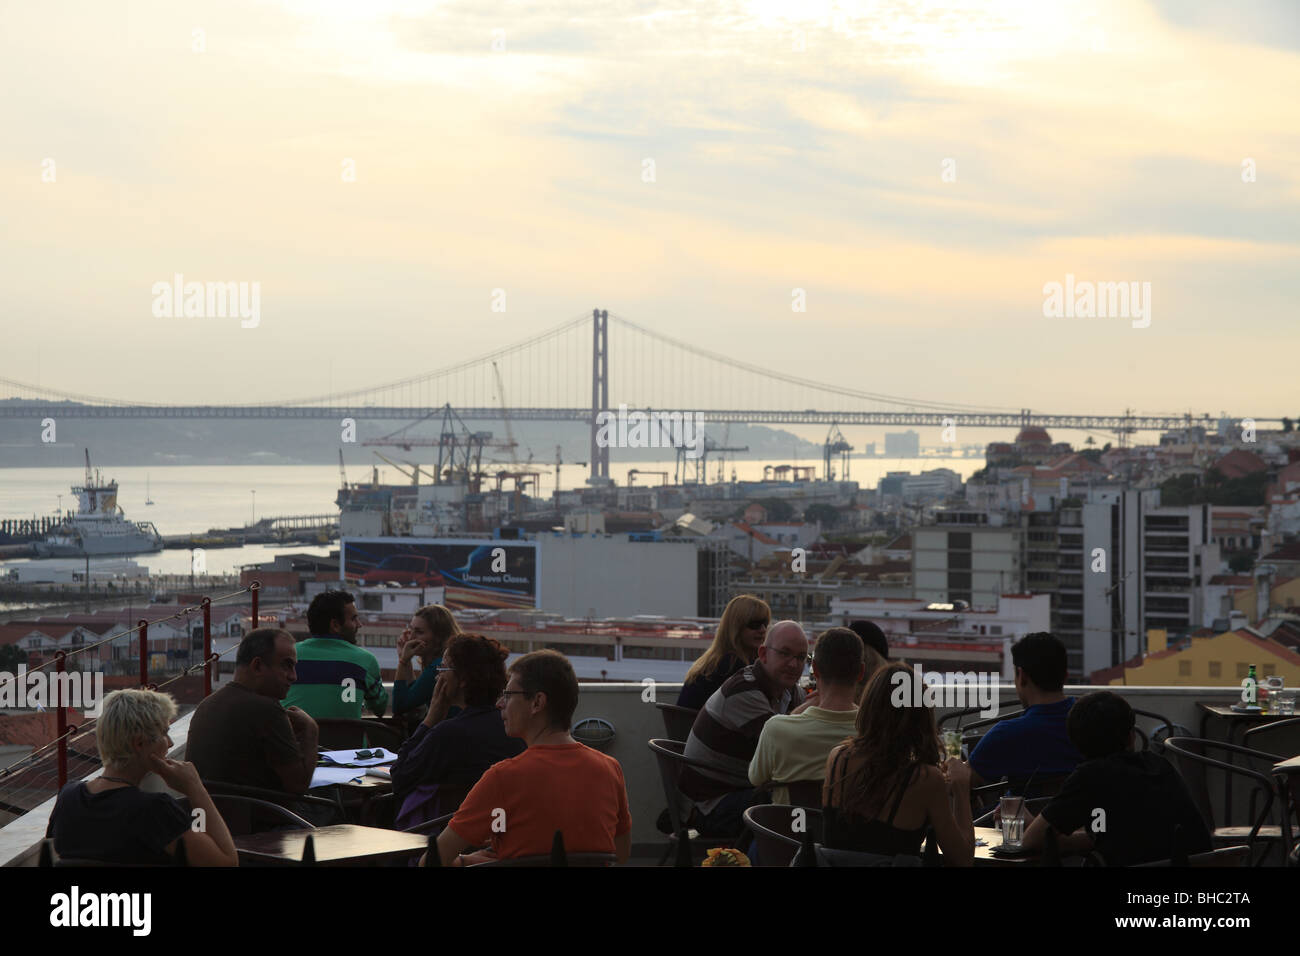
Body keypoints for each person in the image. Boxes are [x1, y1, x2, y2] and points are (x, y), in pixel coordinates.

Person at [436, 650, 631, 865]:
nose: (499, 703)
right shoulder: (609, 769)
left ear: (537, 702)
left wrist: (466, 862)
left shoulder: (503, 778)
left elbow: (433, 860)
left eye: (508, 695)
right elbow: (620, 855)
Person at [49, 689, 238, 866]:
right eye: (164, 733)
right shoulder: (154, 810)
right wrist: (195, 788)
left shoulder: (68, 797)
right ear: (139, 743)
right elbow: (227, 861)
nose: (170, 743)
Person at [1021, 691, 1212, 866]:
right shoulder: (1158, 764)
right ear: (1131, 736)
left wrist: (1032, 823)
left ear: (1076, 744)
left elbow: (1031, 841)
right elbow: (1126, 834)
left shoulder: (1089, 777)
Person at [823, 662, 975, 865]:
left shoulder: (838, 759)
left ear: (869, 707)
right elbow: (962, 860)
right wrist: (961, 789)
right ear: (921, 715)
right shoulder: (926, 779)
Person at [678, 620, 808, 835]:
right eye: (785, 654)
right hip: (710, 806)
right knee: (790, 800)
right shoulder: (743, 690)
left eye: (801, 657)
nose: (794, 664)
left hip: (741, 790)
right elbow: (785, 746)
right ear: (763, 654)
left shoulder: (792, 692)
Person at [389, 633, 524, 829]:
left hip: (443, 837)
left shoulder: (447, 734)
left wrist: (430, 720)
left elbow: (399, 779)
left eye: (443, 668)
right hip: (497, 835)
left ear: (463, 679)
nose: (437, 676)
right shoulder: (513, 731)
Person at [187, 627, 320, 794]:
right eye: (286, 665)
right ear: (257, 666)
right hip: (264, 810)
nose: (293, 676)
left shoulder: (206, 705)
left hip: (206, 809)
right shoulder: (267, 710)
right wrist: (311, 731)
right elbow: (299, 786)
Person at [749, 627, 864, 804]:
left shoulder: (777, 729)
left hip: (787, 822)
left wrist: (795, 715)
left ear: (815, 669)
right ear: (861, 672)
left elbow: (756, 778)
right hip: (850, 823)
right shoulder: (873, 732)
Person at [967, 632, 1081, 791]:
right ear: (1065, 676)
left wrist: (953, 767)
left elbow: (965, 780)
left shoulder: (1006, 734)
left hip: (1017, 808)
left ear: (1022, 676)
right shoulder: (1092, 722)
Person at [282, 589, 387, 719]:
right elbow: (380, 708)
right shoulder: (365, 660)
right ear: (335, 625)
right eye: (354, 619)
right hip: (348, 733)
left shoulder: (288, 655)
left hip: (295, 733)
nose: (359, 624)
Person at [676, 595, 770, 710]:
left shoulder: (714, 661)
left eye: (765, 623)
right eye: (755, 624)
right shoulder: (732, 665)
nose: (763, 630)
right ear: (736, 627)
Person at [392, 604, 462, 717]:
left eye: (419, 632)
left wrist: (403, 661)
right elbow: (415, 693)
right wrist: (405, 659)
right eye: (411, 630)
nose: (411, 637)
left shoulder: (439, 667)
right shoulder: (443, 662)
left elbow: (399, 705)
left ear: (438, 637)